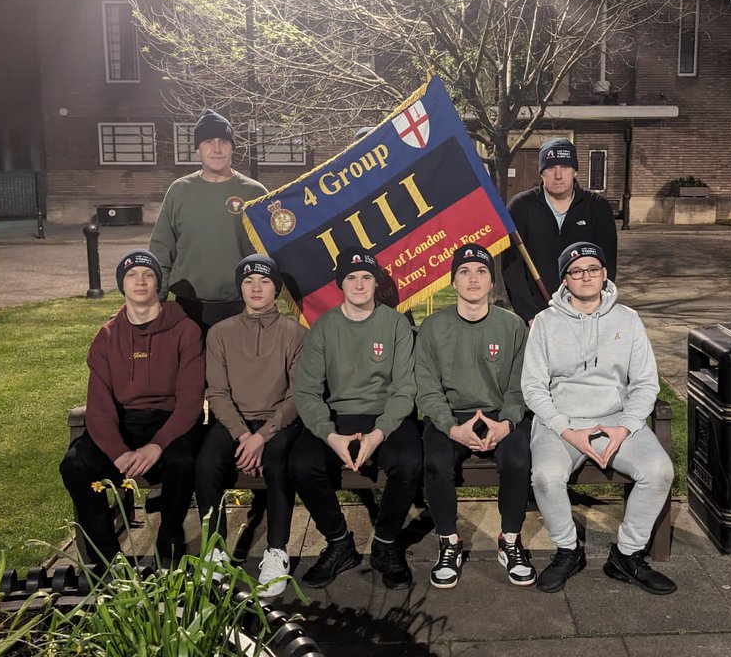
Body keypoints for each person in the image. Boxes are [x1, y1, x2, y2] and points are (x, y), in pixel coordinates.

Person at [521, 241, 676, 595]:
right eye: (576, 271)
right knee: (546, 475)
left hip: (616, 418)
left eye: (593, 269)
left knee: (659, 470)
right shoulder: (545, 323)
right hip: (562, 421)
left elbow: (645, 383)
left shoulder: (628, 319)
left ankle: (627, 555)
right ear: (565, 280)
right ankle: (567, 550)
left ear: (605, 274)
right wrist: (566, 429)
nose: (585, 276)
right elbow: (532, 388)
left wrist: (624, 428)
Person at [59, 249, 204, 572]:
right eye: (131, 276)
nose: (140, 281)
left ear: (158, 284)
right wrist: (118, 452)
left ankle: (169, 543)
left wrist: (157, 445)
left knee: (184, 459)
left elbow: (191, 399)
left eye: (148, 275)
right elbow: (99, 406)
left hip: (170, 422)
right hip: (123, 423)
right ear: (122, 286)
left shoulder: (185, 330)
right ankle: (108, 562)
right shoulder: (107, 337)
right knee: (75, 465)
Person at [290, 247, 422, 590]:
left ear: (376, 282)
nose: (360, 284)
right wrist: (331, 436)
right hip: (338, 416)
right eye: (351, 277)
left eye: (367, 277)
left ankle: (386, 543)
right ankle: (338, 542)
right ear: (341, 284)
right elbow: (306, 392)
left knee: (409, 461)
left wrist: (377, 435)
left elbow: (405, 389)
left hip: (385, 417)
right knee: (302, 464)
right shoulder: (324, 327)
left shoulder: (396, 324)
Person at [415, 243, 535, 589]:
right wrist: (451, 428)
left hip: (498, 413)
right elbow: (427, 388)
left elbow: (519, 385)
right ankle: (449, 542)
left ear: (492, 282)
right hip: (450, 415)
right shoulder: (433, 328)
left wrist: (507, 422)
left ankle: (509, 540)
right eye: (464, 272)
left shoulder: (511, 326)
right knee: (436, 461)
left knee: (516, 458)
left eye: (481, 271)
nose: (473, 279)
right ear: (453, 281)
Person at [194, 254, 306, 597]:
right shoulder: (220, 333)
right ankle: (213, 548)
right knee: (207, 463)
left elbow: (299, 394)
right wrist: (244, 435)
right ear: (240, 287)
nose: (256, 288)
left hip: (278, 421)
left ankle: (276, 550)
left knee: (278, 461)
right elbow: (217, 392)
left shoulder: (295, 333)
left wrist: (263, 436)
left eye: (264, 281)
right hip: (234, 422)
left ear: (277, 288)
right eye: (248, 281)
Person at [149, 109, 267, 333]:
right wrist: (156, 298)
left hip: (242, 305)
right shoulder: (180, 191)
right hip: (188, 306)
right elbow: (161, 250)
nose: (216, 148)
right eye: (208, 141)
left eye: (223, 141)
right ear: (197, 148)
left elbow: (270, 251)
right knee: (192, 368)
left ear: (232, 146)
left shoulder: (254, 192)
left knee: (239, 368)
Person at [502, 137, 618, 324]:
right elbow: (512, 268)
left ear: (575, 171)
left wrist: (594, 308)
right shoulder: (521, 207)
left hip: (586, 314)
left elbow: (607, 265)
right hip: (537, 316)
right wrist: (529, 314)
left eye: (564, 167)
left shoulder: (597, 208)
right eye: (550, 168)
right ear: (541, 173)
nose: (558, 175)